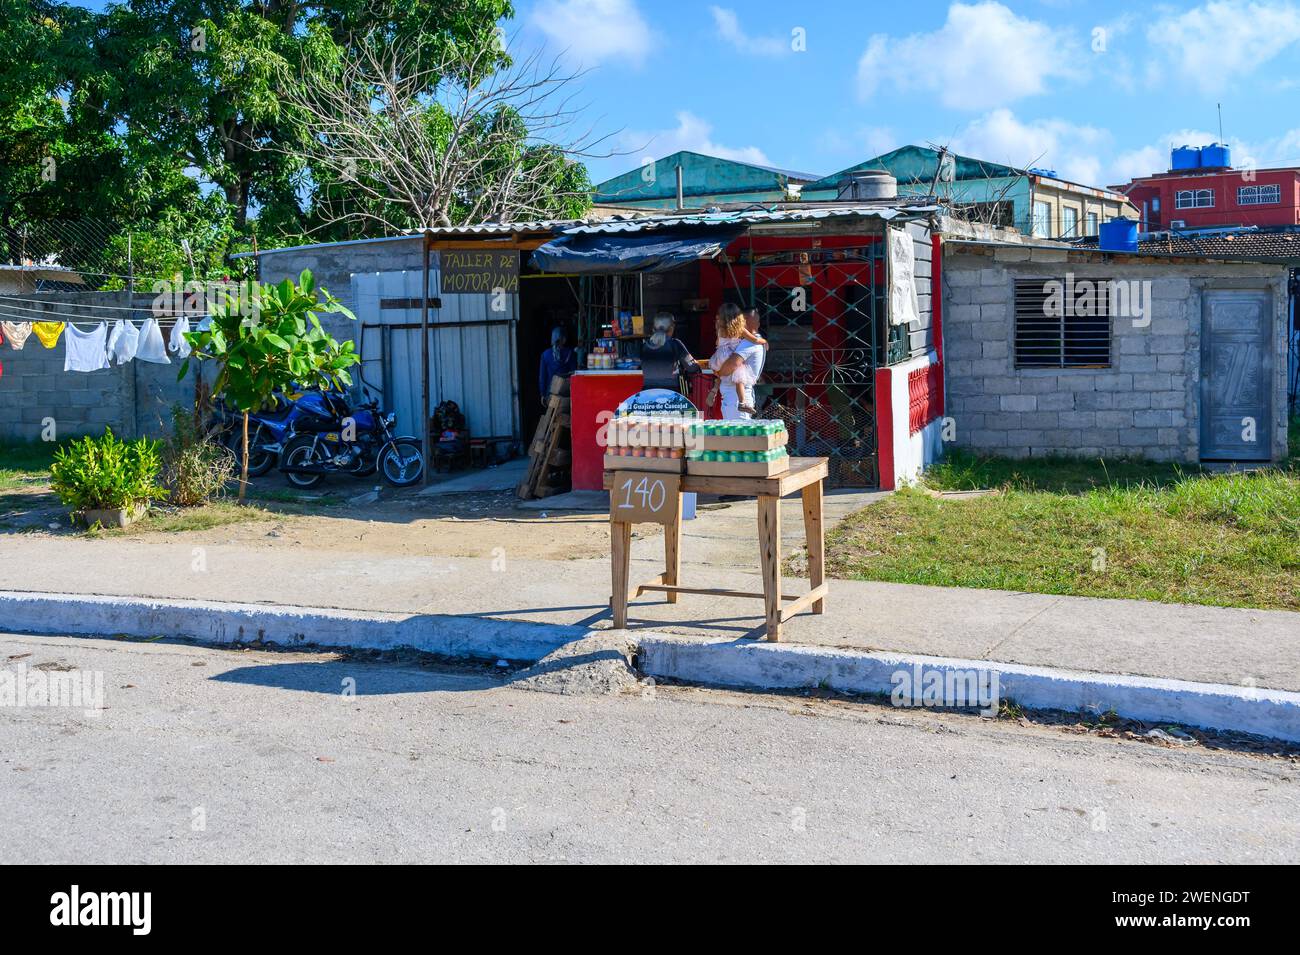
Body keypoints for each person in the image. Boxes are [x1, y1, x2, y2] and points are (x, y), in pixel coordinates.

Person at [706, 303, 766, 415]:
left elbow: (717, 343)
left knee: (722, 375)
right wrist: (765, 342)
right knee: (739, 378)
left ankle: (714, 390)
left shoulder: (720, 329)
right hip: (730, 355)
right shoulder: (740, 330)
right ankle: (742, 403)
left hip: (721, 354)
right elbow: (755, 340)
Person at [639, 311, 703, 394]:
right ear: (672, 327)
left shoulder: (644, 346)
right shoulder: (675, 344)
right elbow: (692, 367)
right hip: (671, 394)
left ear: (653, 328)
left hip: (647, 393)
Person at [537, 326, 577, 405]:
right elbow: (574, 374)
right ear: (564, 339)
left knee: (551, 415)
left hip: (550, 394)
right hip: (566, 394)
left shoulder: (545, 354)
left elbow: (542, 377)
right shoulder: (571, 353)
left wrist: (542, 394)